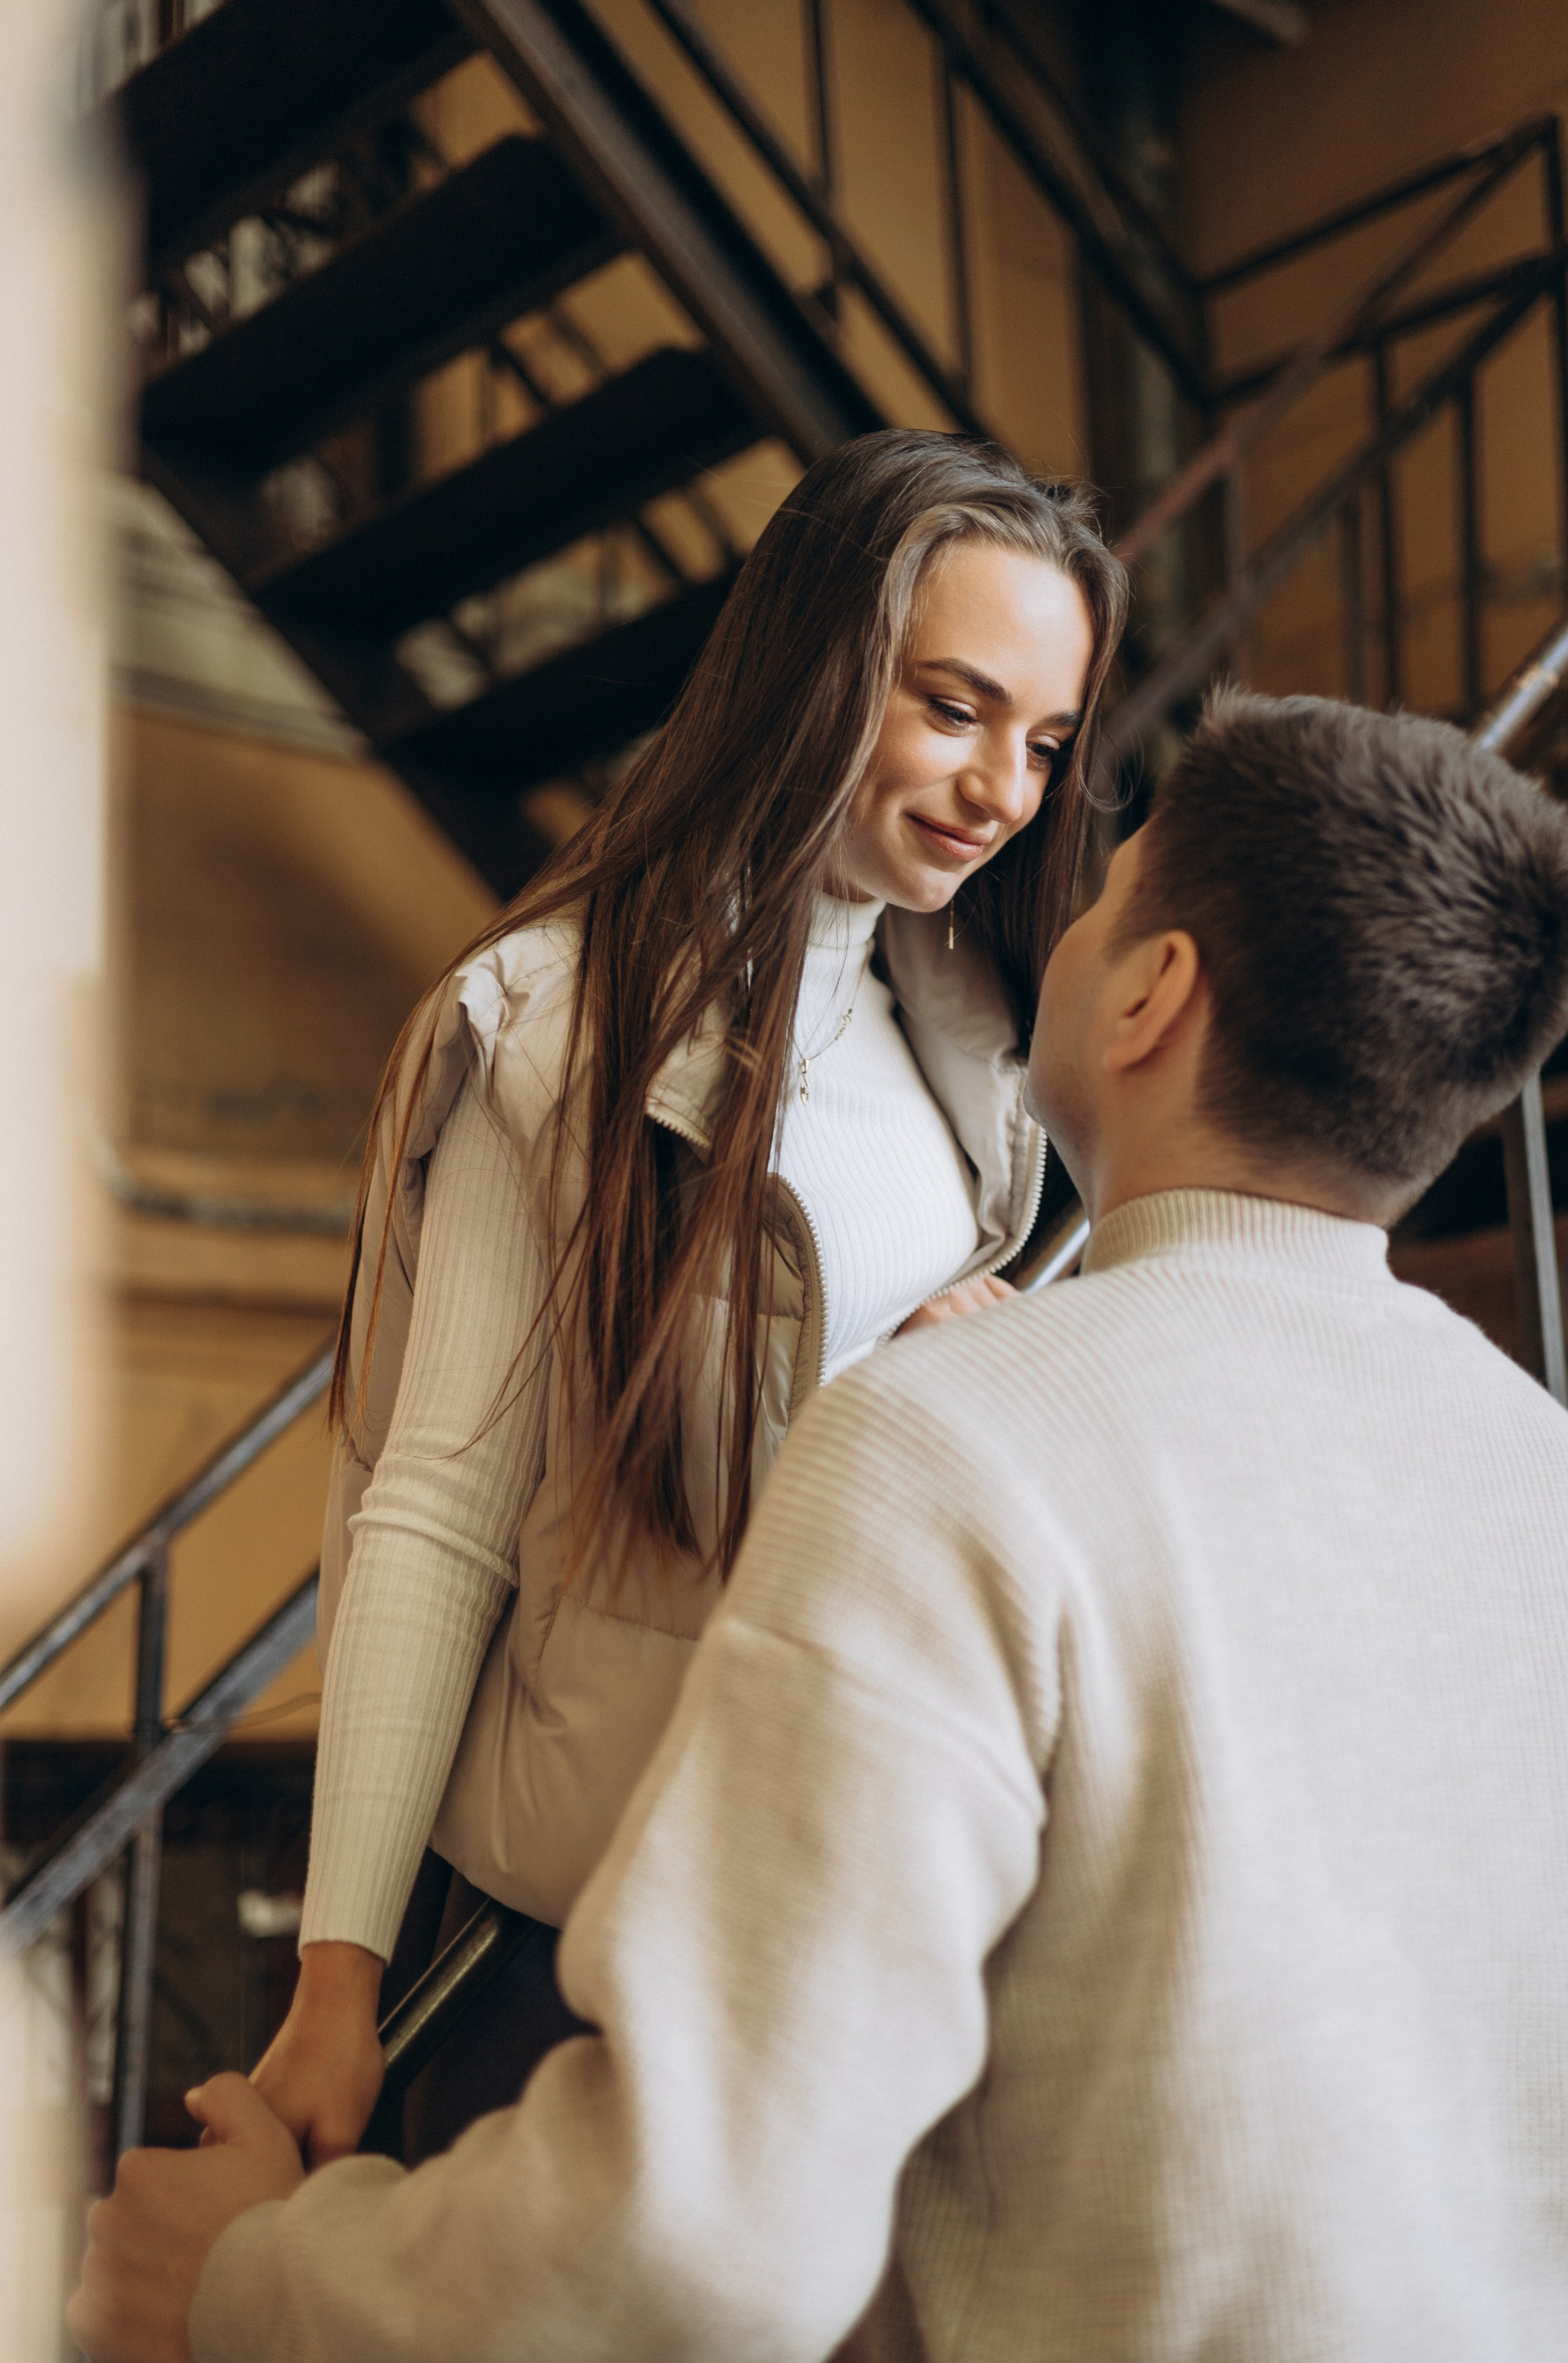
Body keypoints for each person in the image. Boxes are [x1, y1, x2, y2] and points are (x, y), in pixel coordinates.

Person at [72, 688, 1568, 2363]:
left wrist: (251, 2280)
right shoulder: (1546, 1485)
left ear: (1154, 993)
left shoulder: (955, 1452)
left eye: (1101, 892)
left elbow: (696, 2247)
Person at [251, 429, 1129, 2166]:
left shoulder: (989, 1046)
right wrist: (336, 1990)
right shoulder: (556, 1030)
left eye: (1042, 742)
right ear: (814, 672)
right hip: (593, 1937)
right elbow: (436, 1509)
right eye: (952, 709)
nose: (1001, 791)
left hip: (874, 1912)